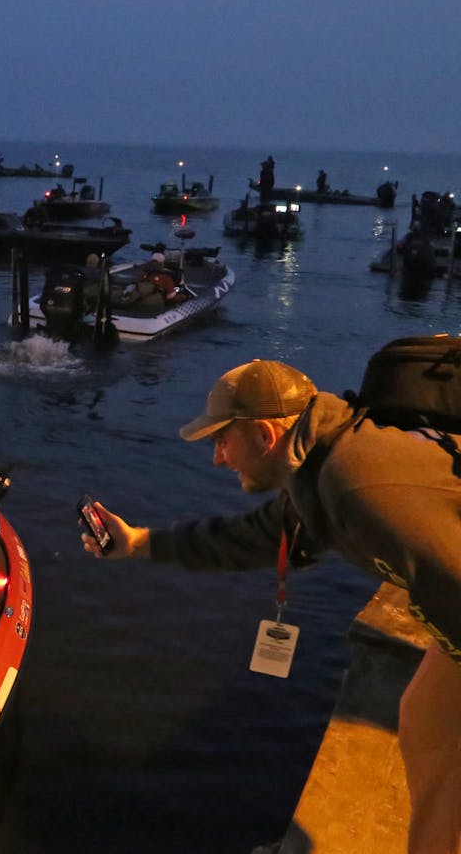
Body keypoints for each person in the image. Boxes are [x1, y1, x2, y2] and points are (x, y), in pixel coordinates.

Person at [83, 359, 461, 854]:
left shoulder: (354, 486)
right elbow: (254, 538)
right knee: (427, 724)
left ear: (264, 435)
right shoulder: (320, 466)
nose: (218, 458)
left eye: (222, 440)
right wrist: (138, 543)